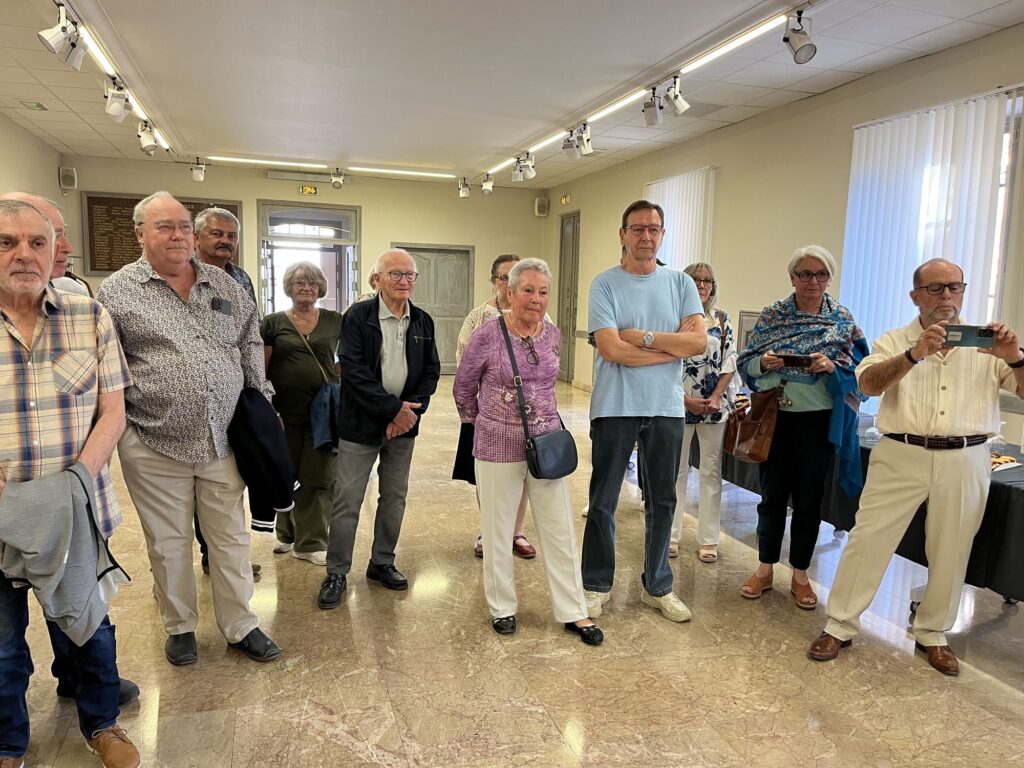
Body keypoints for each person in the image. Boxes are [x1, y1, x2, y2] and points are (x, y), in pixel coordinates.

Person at [808, 259, 1024, 675]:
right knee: (869, 538)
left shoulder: (988, 345)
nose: (947, 296)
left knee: (952, 546)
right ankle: (840, 624)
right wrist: (913, 354)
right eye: (936, 288)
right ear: (915, 296)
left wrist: (1013, 357)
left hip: (966, 456)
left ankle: (933, 633)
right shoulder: (894, 339)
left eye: (955, 287)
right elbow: (867, 385)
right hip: (901, 452)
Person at [98, 191, 281, 666]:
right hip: (153, 439)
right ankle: (180, 626)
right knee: (168, 541)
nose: (177, 235)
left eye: (182, 226)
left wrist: (259, 399)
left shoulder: (223, 284)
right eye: (165, 226)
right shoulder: (116, 292)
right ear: (140, 233)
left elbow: (248, 338)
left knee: (230, 537)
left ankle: (241, 624)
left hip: (223, 440)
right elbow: (106, 364)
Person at [0, 199, 140, 768]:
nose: (23, 255)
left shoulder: (89, 316)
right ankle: (9, 744)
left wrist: (75, 485)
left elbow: (113, 411)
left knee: (87, 629)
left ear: (56, 249)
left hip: (76, 510)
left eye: (36, 242)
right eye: (7, 242)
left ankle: (101, 723)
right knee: (3, 646)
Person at [454, 258, 602, 644]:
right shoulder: (488, 333)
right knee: (498, 530)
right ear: (510, 291)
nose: (536, 299)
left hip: (546, 444)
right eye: (528, 290)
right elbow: (463, 387)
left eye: (543, 291)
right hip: (496, 444)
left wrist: (545, 421)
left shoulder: (552, 334)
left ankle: (573, 611)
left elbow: (548, 387)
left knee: (559, 528)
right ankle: (502, 607)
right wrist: (489, 422)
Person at [580, 199, 707, 623]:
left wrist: (648, 339)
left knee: (664, 501)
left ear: (662, 235)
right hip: (615, 407)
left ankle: (658, 586)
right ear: (623, 235)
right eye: (637, 229)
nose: (646, 237)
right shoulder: (605, 284)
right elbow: (612, 348)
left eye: (653, 229)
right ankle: (596, 584)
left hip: (666, 408)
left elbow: (698, 344)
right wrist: (671, 349)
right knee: (603, 501)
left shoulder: (681, 284)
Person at [736, 245, 868, 609]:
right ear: (792, 277)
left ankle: (800, 574)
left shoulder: (843, 320)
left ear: (830, 278)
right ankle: (764, 568)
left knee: (810, 500)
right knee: (772, 496)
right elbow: (745, 362)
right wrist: (763, 361)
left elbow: (863, 373)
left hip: (818, 422)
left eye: (821, 274)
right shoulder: (773, 315)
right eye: (805, 274)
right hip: (775, 419)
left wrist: (832, 368)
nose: (813, 281)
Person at [318, 249, 440, 609]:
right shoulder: (358, 317)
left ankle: (382, 561)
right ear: (377, 280)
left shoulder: (423, 321)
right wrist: (392, 410)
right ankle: (337, 570)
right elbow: (353, 370)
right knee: (348, 500)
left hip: (404, 427)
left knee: (394, 497)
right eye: (396, 274)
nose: (405, 281)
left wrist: (409, 413)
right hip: (360, 424)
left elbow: (431, 372)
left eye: (410, 275)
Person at [192, 206, 260, 577]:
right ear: (197, 237)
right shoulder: (181, 275)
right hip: (189, 407)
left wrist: (258, 392)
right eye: (217, 234)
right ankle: (205, 554)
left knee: (226, 481)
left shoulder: (240, 279)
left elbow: (250, 335)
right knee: (189, 493)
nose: (225, 242)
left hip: (232, 400)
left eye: (231, 236)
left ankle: (224, 554)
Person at [261, 262, 343, 566]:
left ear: (321, 288)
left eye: (311, 283)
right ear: (288, 288)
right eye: (298, 283)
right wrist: (268, 408)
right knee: (286, 472)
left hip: (323, 412)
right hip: (283, 411)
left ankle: (311, 542)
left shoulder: (336, 320)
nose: (305, 288)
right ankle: (286, 534)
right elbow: (262, 368)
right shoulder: (272, 323)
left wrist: (335, 379)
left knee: (319, 475)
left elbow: (348, 357)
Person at [454, 253, 535, 560]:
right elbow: (464, 364)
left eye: (519, 278)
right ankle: (489, 532)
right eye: (505, 277)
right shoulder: (478, 317)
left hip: (528, 416)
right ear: (495, 282)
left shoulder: (540, 316)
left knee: (524, 473)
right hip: (487, 415)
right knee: (488, 476)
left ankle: (516, 531)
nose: (511, 284)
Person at [670, 262, 736, 563]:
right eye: (695, 279)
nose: (702, 285)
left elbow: (729, 362)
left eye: (707, 280)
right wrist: (684, 399)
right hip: (677, 404)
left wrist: (717, 395)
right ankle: (670, 535)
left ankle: (709, 539)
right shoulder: (672, 317)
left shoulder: (722, 319)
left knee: (711, 472)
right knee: (676, 471)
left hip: (713, 406)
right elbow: (664, 362)